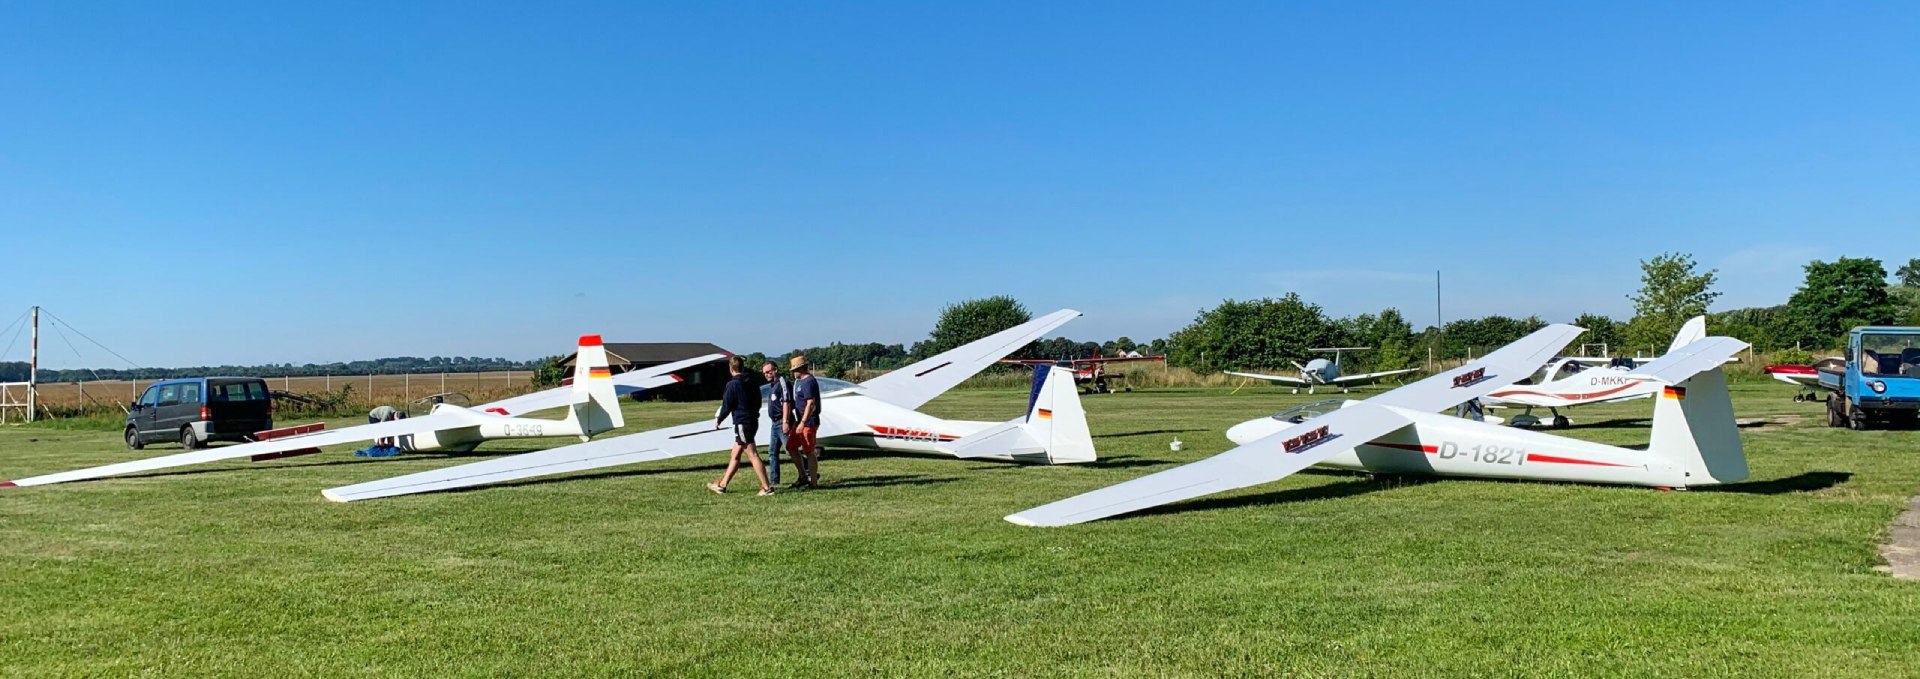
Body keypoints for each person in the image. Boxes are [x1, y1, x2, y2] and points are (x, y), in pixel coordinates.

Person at [708, 356, 773, 496]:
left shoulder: (732, 384)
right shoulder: (752, 382)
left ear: (731, 369)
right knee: (735, 454)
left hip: (742, 422)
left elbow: (727, 405)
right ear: (743, 368)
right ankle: (723, 485)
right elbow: (758, 401)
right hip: (752, 421)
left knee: (752, 455)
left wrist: (719, 419)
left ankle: (767, 488)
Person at [788, 354, 823, 488]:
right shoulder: (801, 382)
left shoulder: (809, 382)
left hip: (808, 422)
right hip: (800, 421)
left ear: (802, 368)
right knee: (791, 447)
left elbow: (810, 403)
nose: (793, 372)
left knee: (809, 451)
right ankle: (802, 476)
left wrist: (803, 422)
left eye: (795, 370)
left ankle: (813, 482)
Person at [761, 361, 794, 485]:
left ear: (775, 370)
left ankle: (807, 470)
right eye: (764, 373)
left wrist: (785, 421)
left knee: (791, 450)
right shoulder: (772, 385)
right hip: (774, 423)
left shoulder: (782, 382)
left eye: (769, 372)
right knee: (772, 452)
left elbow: (787, 402)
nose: (767, 375)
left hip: (782, 421)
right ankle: (774, 481)